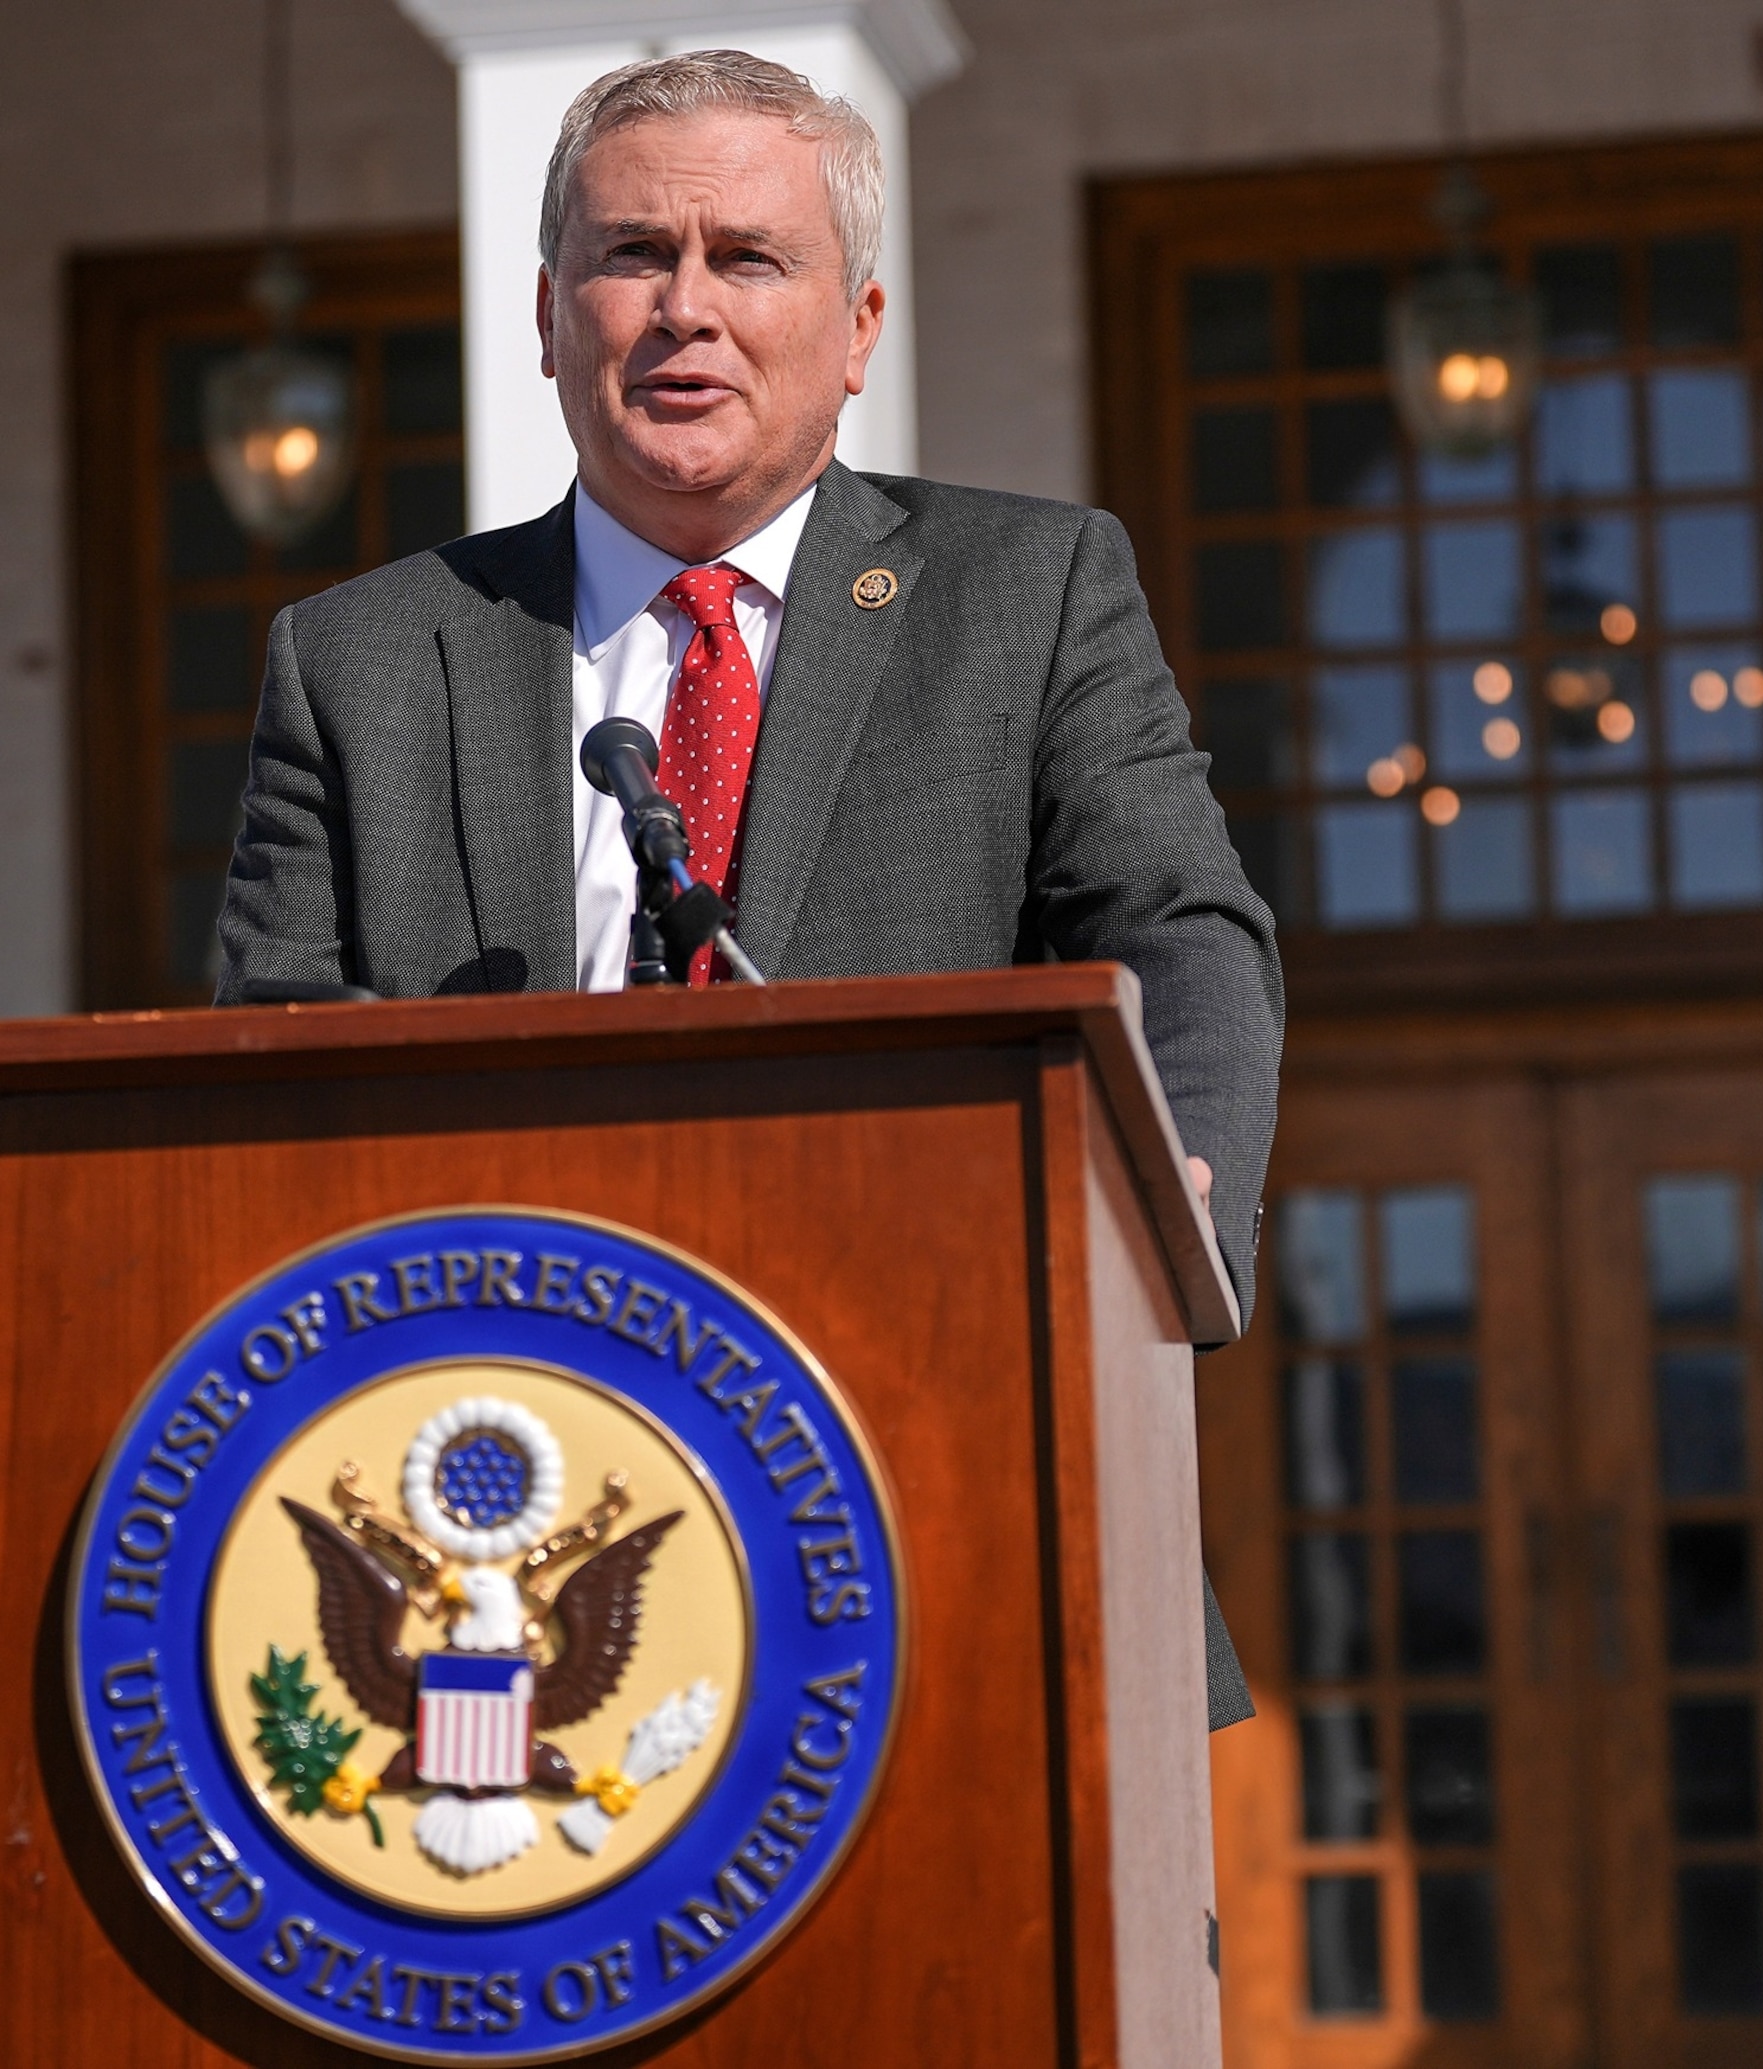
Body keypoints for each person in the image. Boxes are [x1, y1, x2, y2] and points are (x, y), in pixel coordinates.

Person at [214, 50, 1283, 1726]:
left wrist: (1169, 1213)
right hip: (512, 1538)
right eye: (634, 255)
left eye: (751, 258)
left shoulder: (1031, 594)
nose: (685, 310)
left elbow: (1179, 932)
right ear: (549, 313)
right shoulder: (361, 662)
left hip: (956, 1482)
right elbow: (269, 1066)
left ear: (858, 329)